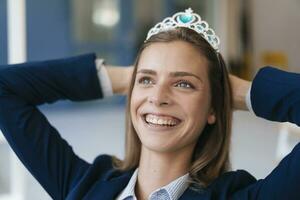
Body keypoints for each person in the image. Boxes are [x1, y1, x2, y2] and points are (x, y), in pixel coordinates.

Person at [0, 8, 299, 200]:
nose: (158, 97)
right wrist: (127, 79)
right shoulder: (83, 186)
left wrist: (244, 93)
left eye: (184, 83)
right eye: (147, 81)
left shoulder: (245, 197)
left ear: (212, 109)